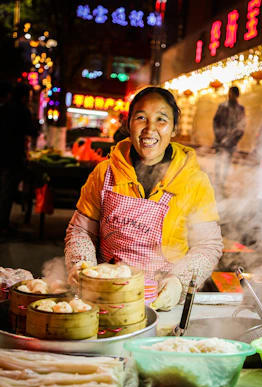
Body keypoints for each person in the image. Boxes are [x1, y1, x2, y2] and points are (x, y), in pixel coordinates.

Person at [65, 86, 223, 311]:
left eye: (161, 119)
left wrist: (179, 282)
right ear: (128, 123)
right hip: (106, 298)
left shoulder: (194, 181)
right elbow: (81, 231)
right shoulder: (104, 174)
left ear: (174, 128)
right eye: (141, 118)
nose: (150, 129)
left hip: (164, 303)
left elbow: (208, 246)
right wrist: (82, 265)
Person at [0, 82, 38, 241]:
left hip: (2, 155)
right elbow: (32, 131)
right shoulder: (22, 111)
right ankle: (2, 226)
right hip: (12, 157)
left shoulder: (3, 108)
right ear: (23, 97)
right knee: (6, 192)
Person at [213, 86, 246, 197]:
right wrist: (219, 136)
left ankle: (223, 182)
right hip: (220, 139)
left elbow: (242, 126)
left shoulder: (240, 109)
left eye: (231, 94)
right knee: (218, 161)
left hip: (231, 141)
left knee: (227, 162)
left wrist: (235, 139)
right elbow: (215, 121)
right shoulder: (222, 106)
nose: (229, 95)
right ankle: (217, 182)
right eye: (229, 93)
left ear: (236, 95)